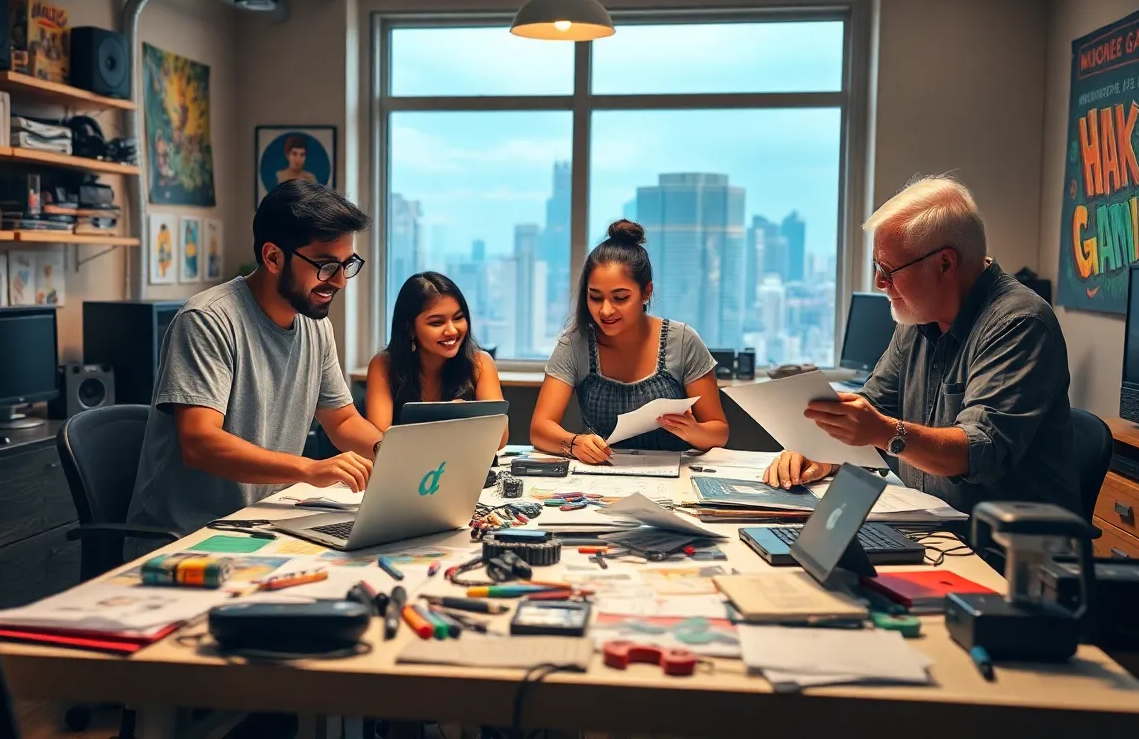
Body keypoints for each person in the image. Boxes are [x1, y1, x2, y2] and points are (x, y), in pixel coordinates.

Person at [761, 175, 1080, 519]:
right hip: (930, 521)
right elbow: (873, 407)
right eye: (877, 266)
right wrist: (820, 449)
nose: (879, 282)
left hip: (1001, 542)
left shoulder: (1019, 323)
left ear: (945, 263)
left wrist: (886, 433)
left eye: (889, 269)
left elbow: (979, 452)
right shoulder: (916, 320)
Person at [126, 180, 384, 550]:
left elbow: (342, 421)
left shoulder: (316, 326)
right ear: (273, 257)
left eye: (348, 265)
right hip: (188, 539)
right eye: (327, 266)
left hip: (262, 522)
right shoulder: (208, 320)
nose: (341, 281)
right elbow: (200, 442)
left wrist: (396, 455)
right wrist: (309, 468)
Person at [531, 220, 729, 462]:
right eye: (595, 297)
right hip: (601, 474)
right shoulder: (574, 344)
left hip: (673, 473)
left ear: (646, 292)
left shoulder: (683, 341)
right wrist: (574, 443)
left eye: (620, 298)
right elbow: (540, 429)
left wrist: (693, 431)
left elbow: (719, 431)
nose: (605, 310)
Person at [364, 272, 509, 448]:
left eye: (458, 318)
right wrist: (448, 420)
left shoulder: (480, 363)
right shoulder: (384, 365)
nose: (452, 331)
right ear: (410, 328)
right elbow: (380, 441)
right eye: (437, 323)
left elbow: (499, 439)